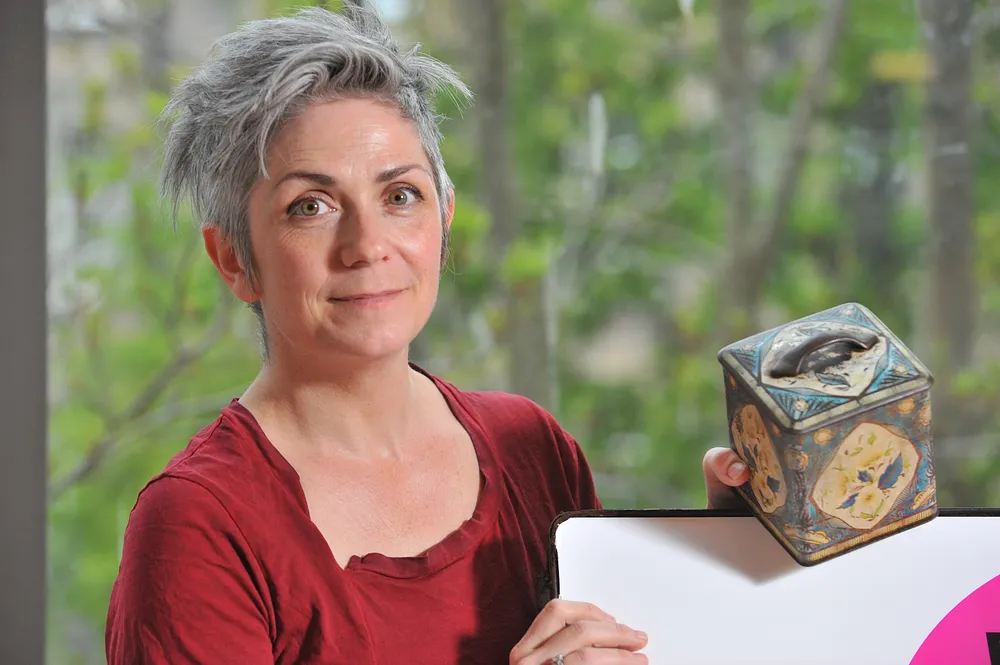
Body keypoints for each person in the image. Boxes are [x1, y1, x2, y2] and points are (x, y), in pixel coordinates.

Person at [103, 3, 750, 664]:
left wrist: (735, 560)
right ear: (234, 260)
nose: (367, 244)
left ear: (444, 217)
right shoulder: (197, 526)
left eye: (399, 196)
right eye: (310, 206)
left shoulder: (534, 450)